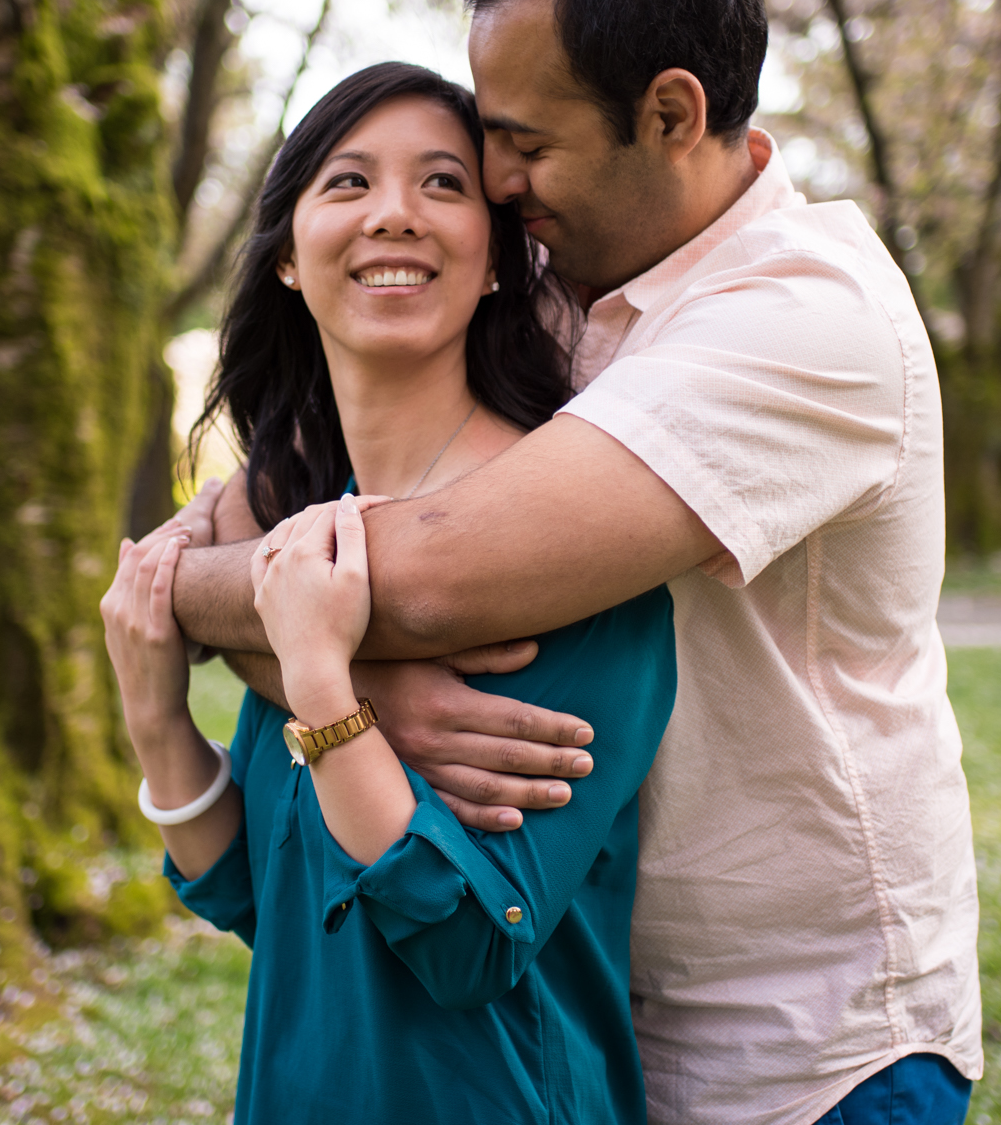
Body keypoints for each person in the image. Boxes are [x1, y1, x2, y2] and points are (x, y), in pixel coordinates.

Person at [169, 0, 982, 1125]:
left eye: (525, 142)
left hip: (805, 1051)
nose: (495, 182)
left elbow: (429, 572)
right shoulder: (566, 278)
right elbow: (280, 503)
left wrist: (207, 614)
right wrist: (305, 649)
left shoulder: (804, 322)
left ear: (669, 113)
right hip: (587, 1003)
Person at [100, 62, 679, 1124]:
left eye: (444, 184)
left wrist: (322, 682)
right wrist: (153, 712)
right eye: (348, 182)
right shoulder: (301, 537)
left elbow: (464, 939)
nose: (396, 216)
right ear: (284, 254)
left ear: (499, 260)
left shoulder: (573, 550)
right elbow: (256, 895)